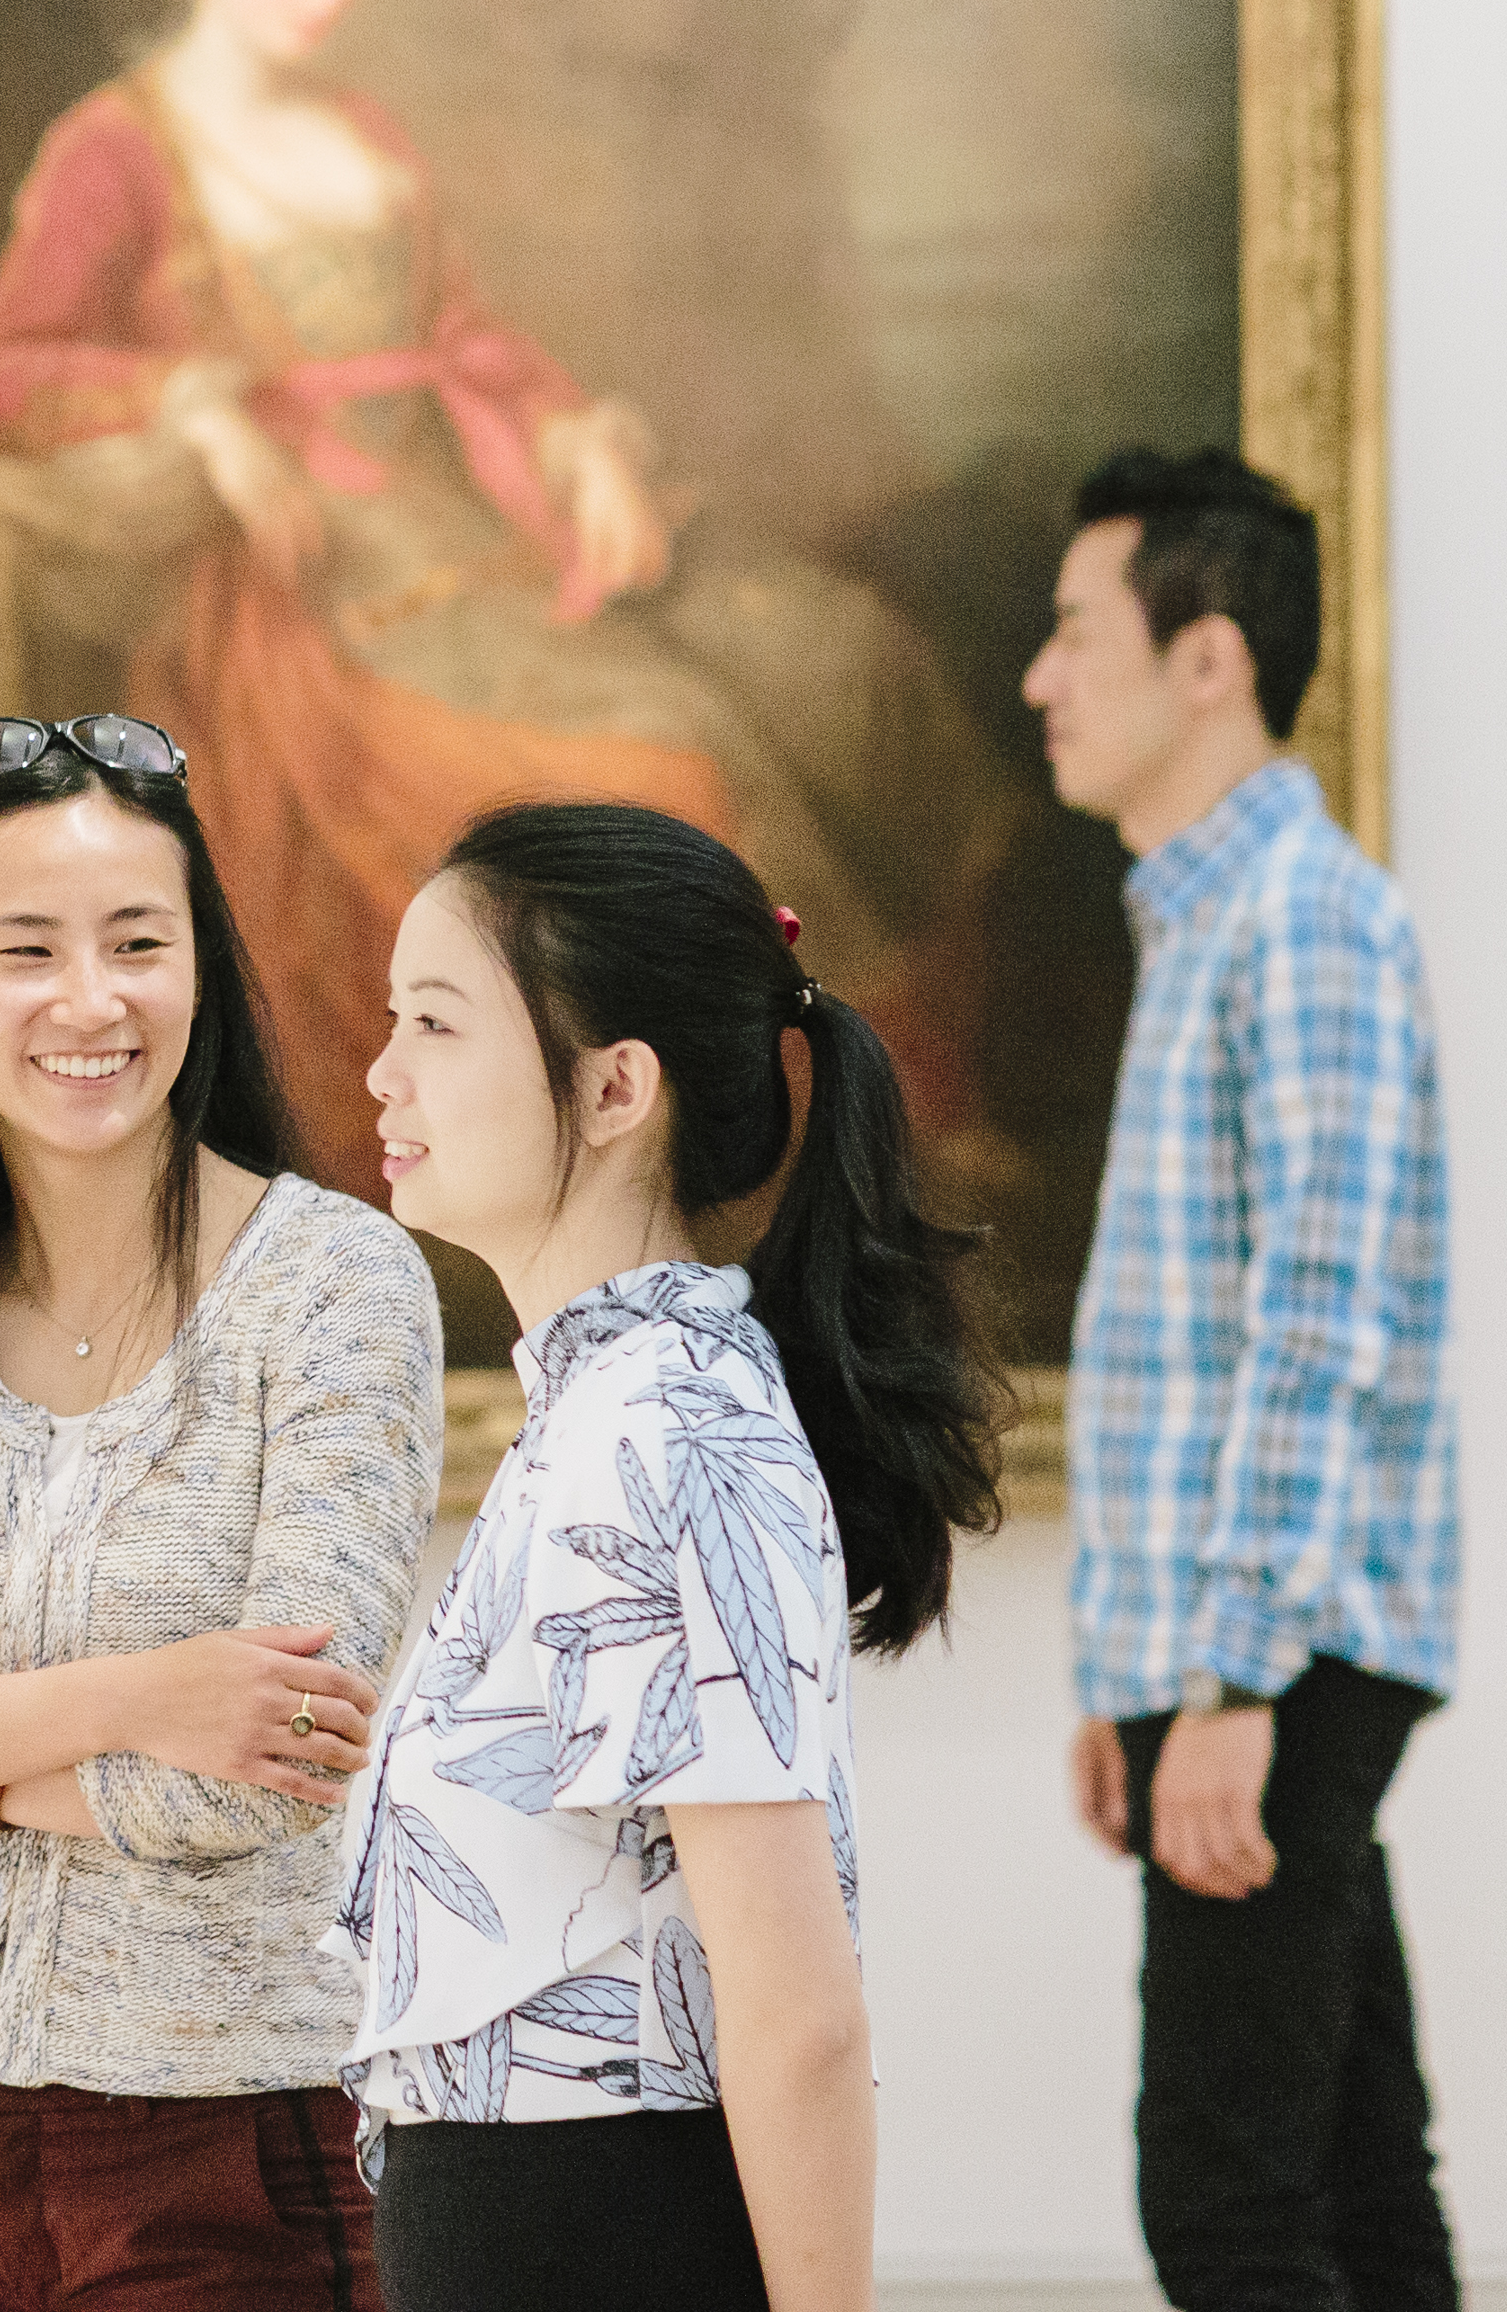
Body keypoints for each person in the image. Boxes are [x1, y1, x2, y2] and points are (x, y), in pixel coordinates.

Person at [0, 0, 1015, 1204]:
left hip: (450, 520)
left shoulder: (361, 131)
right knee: (661, 765)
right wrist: (196, 411)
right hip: (301, 584)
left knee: (798, 684)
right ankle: (730, 1152)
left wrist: (576, 437)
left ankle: (869, 1128)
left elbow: (465, 336)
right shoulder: (118, 144)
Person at [0, 711, 444, 2310]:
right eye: (27, 949)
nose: (90, 1000)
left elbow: (273, 1774)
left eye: (139, 941)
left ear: (200, 964)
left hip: (219, 2149)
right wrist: (147, 1694)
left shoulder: (334, 1286)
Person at [342, 800, 1009, 2312]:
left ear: (616, 1085)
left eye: (435, 1022)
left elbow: (799, 2015)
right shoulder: (606, 1409)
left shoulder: (668, 1428)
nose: (382, 1070)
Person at [1021, 448, 1456, 2312]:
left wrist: (1230, 1681)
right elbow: (1213, 1341)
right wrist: (1142, 1678)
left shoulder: (1304, 916)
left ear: (1211, 658)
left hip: (1281, 1657)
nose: (1039, 677)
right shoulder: (1217, 918)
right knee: (1353, 2179)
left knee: (1224, 2204)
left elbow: (1322, 1326)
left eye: (1072, 629)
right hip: (1242, 1658)